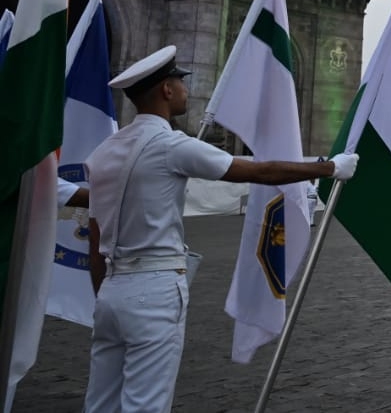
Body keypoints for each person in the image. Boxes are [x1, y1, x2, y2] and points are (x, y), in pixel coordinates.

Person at [82, 46, 358, 413]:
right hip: (153, 289)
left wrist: (107, 293)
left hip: (111, 292)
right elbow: (258, 172)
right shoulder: (170, 145)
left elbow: (96, 236)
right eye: (180, 81)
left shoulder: (103, 152)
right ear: (166, 90)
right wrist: (328, 168)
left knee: (100, 402)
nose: (185, 89)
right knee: (145, 404)